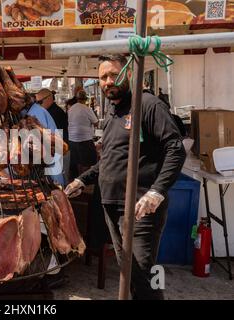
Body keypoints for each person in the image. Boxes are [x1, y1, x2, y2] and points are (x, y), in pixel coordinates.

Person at [65, 54, 186, 300]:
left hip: (140, 207)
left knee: (145, 276)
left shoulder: (148, 105)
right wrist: (82, 180)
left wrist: (157, 191)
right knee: (128, 272)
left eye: (113, 75)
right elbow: (109, 159)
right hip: (111, 204)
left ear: (129, 74)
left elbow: (176, 148)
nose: (108, 81)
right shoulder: (113, 112)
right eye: (102, 77)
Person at [68, 90, 99, 180]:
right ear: (85, 99)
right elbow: (96, 123)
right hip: (84, 139)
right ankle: (84, 181)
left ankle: (78, 179)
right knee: (88, 162)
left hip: (72, 139)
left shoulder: (71, 109)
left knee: (78, 162)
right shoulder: (86, 108)